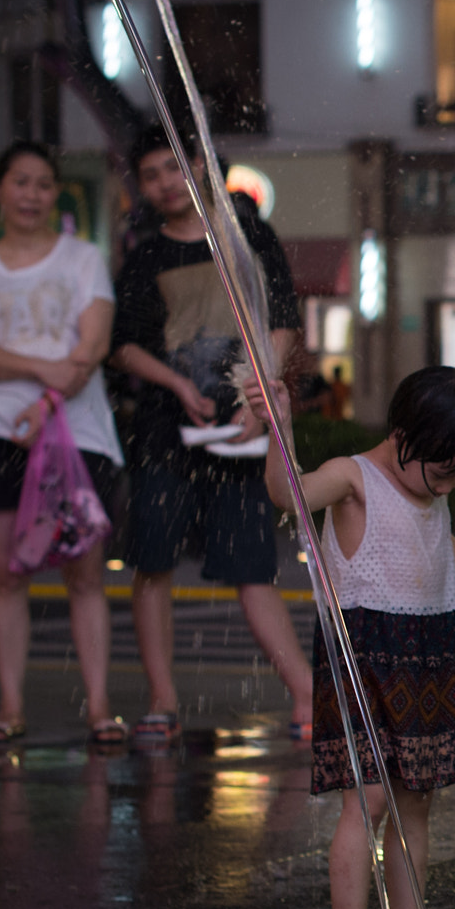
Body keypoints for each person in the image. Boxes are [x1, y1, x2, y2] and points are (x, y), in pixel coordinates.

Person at [250, 366, 455, 909]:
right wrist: (278, 427)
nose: (449, 485)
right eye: (442, 470)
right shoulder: (352, 477)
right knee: (370, 798)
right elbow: (289, 496)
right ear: (402, 434)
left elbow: (444, 537)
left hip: (428, 644)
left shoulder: (431, 490)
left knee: (418, 797)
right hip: (367, 647)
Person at [110, 125, 313, 747]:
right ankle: (162, 700)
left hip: (242, 425)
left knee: (252, 566)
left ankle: (307, 695)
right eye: (150, 175)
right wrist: (174, 384)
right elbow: (124, 345)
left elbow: (281, 321)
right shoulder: (146, 254)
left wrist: (260, 397)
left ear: (199, 164)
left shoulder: (247, 235)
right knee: (152, 561)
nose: (165, 183)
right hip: (166, 430)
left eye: (173, 166)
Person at [0, 141, 126, 744]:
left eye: (44, 184)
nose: (31, 194)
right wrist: (45, 371)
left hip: (79, 434)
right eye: (20, 182)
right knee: (7, 575)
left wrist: (46, 399)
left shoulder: (82, 260)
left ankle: (100, 706)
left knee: (85, 576)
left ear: (56, 194)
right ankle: (10, 705)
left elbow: (92, 347)